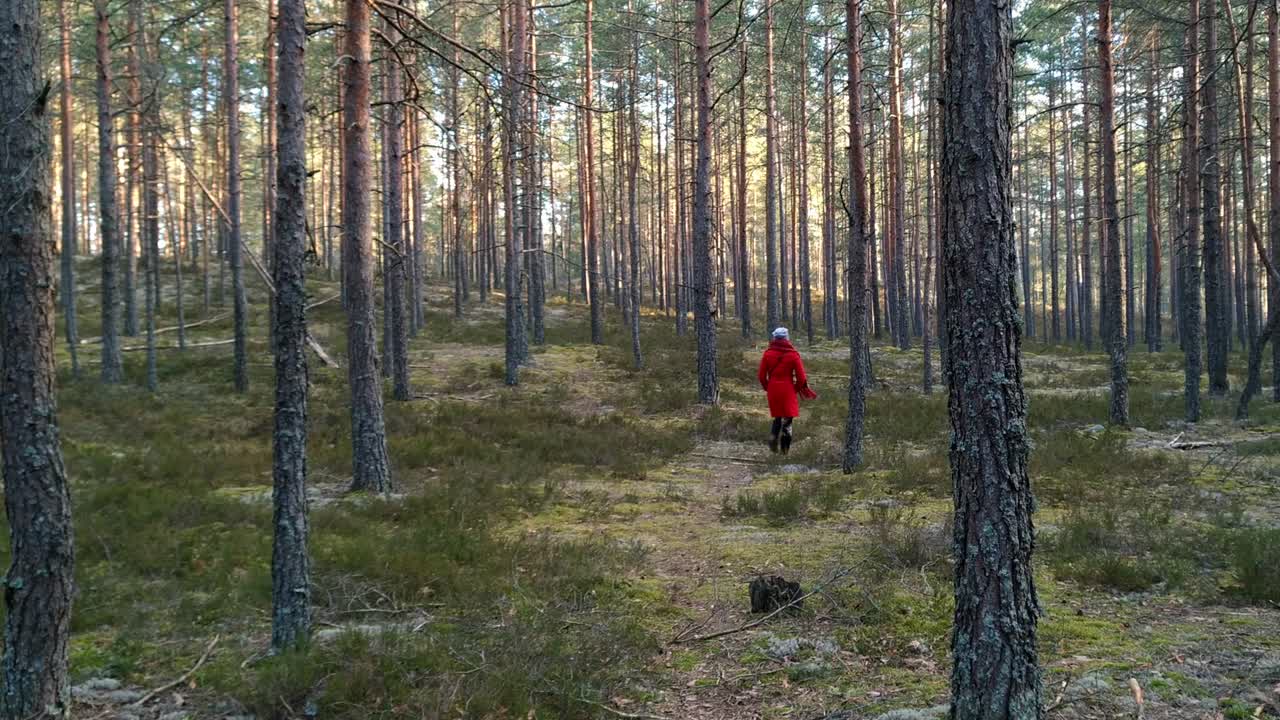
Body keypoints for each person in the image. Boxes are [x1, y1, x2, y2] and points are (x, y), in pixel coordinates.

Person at [757, 327, 817, 454]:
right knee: (788, 419)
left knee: (777, 416)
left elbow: (761, 376)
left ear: (775, 338)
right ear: (787, 338)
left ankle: (773, 438)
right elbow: (802, 378)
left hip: (773, 389)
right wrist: (795, 389)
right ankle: (784, 451)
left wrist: (768, 388)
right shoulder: (793, 355)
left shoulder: (767, 354)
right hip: (788, 389)